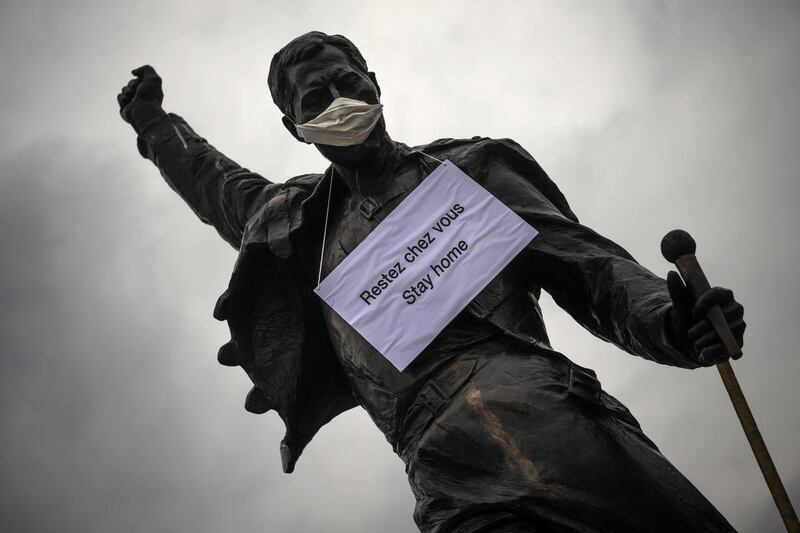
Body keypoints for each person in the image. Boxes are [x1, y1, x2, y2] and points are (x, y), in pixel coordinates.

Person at [117, 31, 746, 532]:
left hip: (553, 423)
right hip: (442, 472)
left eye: (348, 81)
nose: (338, 100)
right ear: (295, 126)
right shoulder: (295, 225)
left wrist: (670, 315)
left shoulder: (466, 172)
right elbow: (213, 182)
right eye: (314, 98)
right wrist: (154, 125)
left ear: (375, 84)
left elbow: (589, 266)